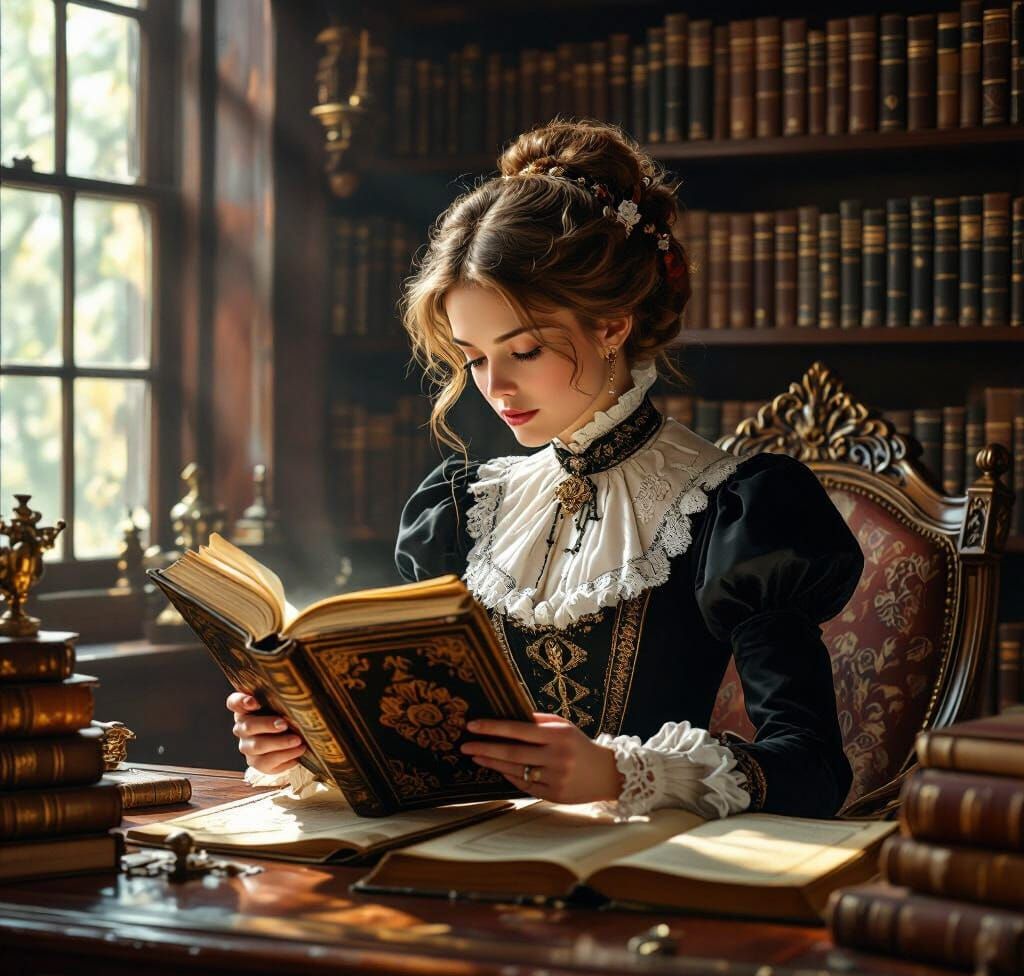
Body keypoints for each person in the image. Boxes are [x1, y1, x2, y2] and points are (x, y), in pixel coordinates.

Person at [227, 118, 864, 820]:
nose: (495, 388)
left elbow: (811, 770)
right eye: (473, 358)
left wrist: (621, 773)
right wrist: (309, 744)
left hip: (642, 880)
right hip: (468, 865)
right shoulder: (462, 510)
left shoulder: (738, 509)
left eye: (524, 350)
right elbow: (420, 746)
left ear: (614, 325)